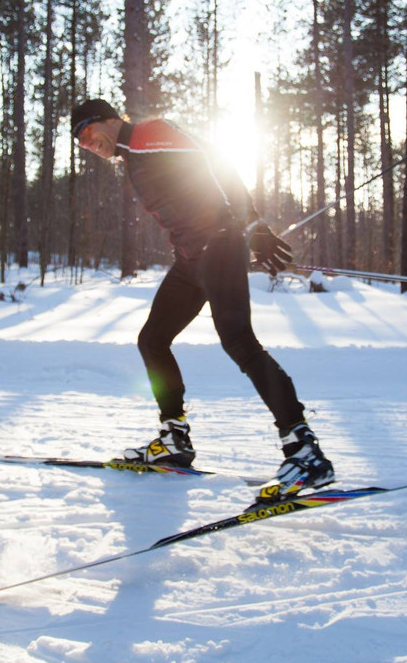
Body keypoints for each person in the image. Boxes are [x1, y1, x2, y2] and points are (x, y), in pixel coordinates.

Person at [70, 98, 335, 503]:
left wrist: (253, 225)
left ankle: (304, 451)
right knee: (152, 340)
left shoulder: (149, 134)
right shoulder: (132, 155)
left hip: (218, 245)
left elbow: (217, 164)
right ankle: (174, 438)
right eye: (81, 144)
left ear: (108, 119)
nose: (89, 146)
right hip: (192, 258)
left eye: (88, 134)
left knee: (239, 342)